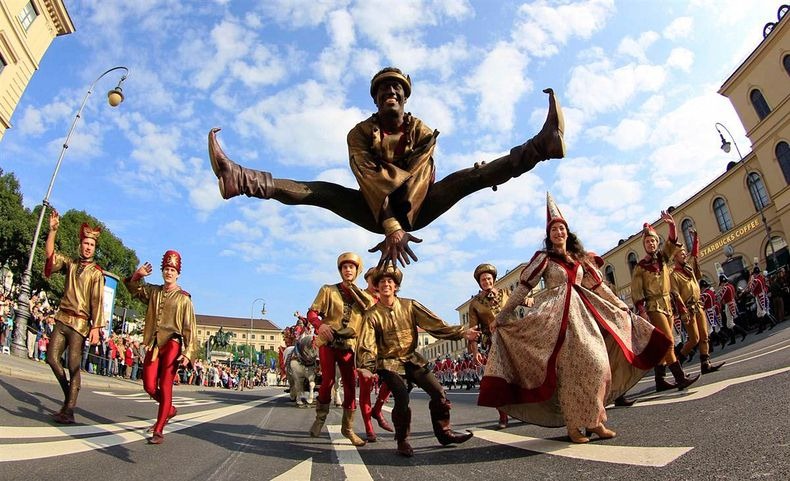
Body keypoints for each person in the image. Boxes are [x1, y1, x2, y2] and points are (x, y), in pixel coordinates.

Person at [209, 67, 565, 267]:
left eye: (396, 89)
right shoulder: (359, 134)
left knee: (471, 177)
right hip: (373, 209)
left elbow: (418, 178)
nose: (390, 93)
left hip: (419, 204)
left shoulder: (421, 130)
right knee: (321, 192)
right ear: (376, 100)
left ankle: (542, 146)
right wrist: (390, 225)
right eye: (382, 91)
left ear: (405, 97)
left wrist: (401, 218)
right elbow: (369, 178)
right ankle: (239, 178)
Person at [478, 193, 672, 443]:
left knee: (598, 363)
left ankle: (595, 421)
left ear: (568, 233)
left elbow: (600, 287)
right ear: (549, 236)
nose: (559, 232)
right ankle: (574, 426)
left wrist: (619, 306)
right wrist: (502, 316)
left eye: (562, 228)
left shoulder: (578, 259)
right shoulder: (544, 259)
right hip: (556, 320)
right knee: (570, 371)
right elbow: (523, 288)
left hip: (584, 315)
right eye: (554, 229)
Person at [357, 265, 480, 457]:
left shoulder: (409, 305)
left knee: (438, 391)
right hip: (388, 363)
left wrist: (462, 332)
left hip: (413, 359)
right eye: (381, 282)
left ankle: (444, 433)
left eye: (390, 281)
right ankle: (402, 440)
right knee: (401, 397)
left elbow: (435, 324)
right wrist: (366, 366)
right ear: (376, 287)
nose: (386, 284)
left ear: (396, 286)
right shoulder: (371, 315)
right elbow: (367, 343)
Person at [125, 251, 198, 445]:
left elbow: (191, 328)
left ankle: (158, 429)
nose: (169, 272)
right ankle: (169, 409)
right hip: (154, 343)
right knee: (149, 385)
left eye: (172, 270)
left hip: (172, 344)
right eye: (166, 269)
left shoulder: (184, 299)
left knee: (165, 387)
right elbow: (134, 290)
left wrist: (188, 353)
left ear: (178, 274)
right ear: (162, 271)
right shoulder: (154, 292)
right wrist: (137, 275)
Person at [43, 210, 105, 424]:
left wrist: (96, 327)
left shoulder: (97, 273)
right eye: (86, 243)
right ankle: (70, 396)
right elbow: (50, 257)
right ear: (81, 244)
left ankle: (69, 409)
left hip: (80, 323)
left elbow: (97, 301)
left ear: (95, 248)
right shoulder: (71, 264)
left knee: (73, 365)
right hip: (62, 318)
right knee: (51, 358)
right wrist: (52, 231)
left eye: (92, 244)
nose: (88, 247)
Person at [306, 252, 373, 446]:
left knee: (351, 384)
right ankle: (320, 418)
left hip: (349, 346)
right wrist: (320, 325)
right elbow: (312, 313)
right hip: (328, 342)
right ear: (340, 270)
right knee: (327, 380)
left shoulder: (364, 297)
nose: (348, 270)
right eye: (344, 267)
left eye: (352, 267)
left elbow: (371, 320)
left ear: (357, 271)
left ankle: (348, 428)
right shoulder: (328, 290)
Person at [630, 213, 699, 392]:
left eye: (653, 241)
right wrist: (642, 311)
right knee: (668, 341)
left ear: (656, 242)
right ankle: (679, 377)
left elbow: (672, 242)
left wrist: (672, 225)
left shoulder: (663, 258)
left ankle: (660, 380)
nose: (651, 244)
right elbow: (637, 292)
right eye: (647, 242)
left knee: (665, 343)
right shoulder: (640, 267)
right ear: (644, 245)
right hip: (654, 306)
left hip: (668, 304)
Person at [669, 230, 725, 374]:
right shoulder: (674, 275)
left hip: (698, 305)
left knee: (705, 335)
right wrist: (682, 311)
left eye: (683, 253)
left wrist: (695, 239)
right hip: (688, 309)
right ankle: (678, 362)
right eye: (681, 253)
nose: (684, 255)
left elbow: (694, 254)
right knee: (694, 339)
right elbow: (675, 294)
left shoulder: (689, 269)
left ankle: (705, 364)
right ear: (674, 257)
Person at [467, 263, 513, 428]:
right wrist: (475, 351)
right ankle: (503, 416)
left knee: (520, 376)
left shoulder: (506, 293)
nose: (486, 281)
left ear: (494, 279)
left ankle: (527, 411)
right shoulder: (475, 304)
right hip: (493, 343)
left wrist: (529, 300)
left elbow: (519, 302)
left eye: (488, 278)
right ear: (479, 283)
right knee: (498, 378)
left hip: (513, 338)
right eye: (483, 280)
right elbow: (473, 330)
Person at [356, 267, 394, 442]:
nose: (377, 283)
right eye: (374, 279)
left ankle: (377, 409)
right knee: (365, 387)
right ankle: (369, 428)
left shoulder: (386, 298)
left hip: (384, 347)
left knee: (393, 379)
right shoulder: (359, 296)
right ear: (368, 280)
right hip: (364, 346)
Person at [716, 273, 748, 345]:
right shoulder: (731, 286)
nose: (721, 285)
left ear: (722, 282)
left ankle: (743, 332)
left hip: (729, 304)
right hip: (732, 303)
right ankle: (733, 339)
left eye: (721, 283)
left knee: (729, 323)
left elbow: (720, 298)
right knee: (729, 323)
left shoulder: (725, 287)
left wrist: (717, 296)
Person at [748, 263, 776, 333]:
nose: (753, 275)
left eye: (753, 274)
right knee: (759, 314)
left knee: (763, 312)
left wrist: (751, 280)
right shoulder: (761, 277)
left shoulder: (756, 280)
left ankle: (773, 322)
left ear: (755, 273)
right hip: (762, 294)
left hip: (759, 296)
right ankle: (761, 329)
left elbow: (751, 289)